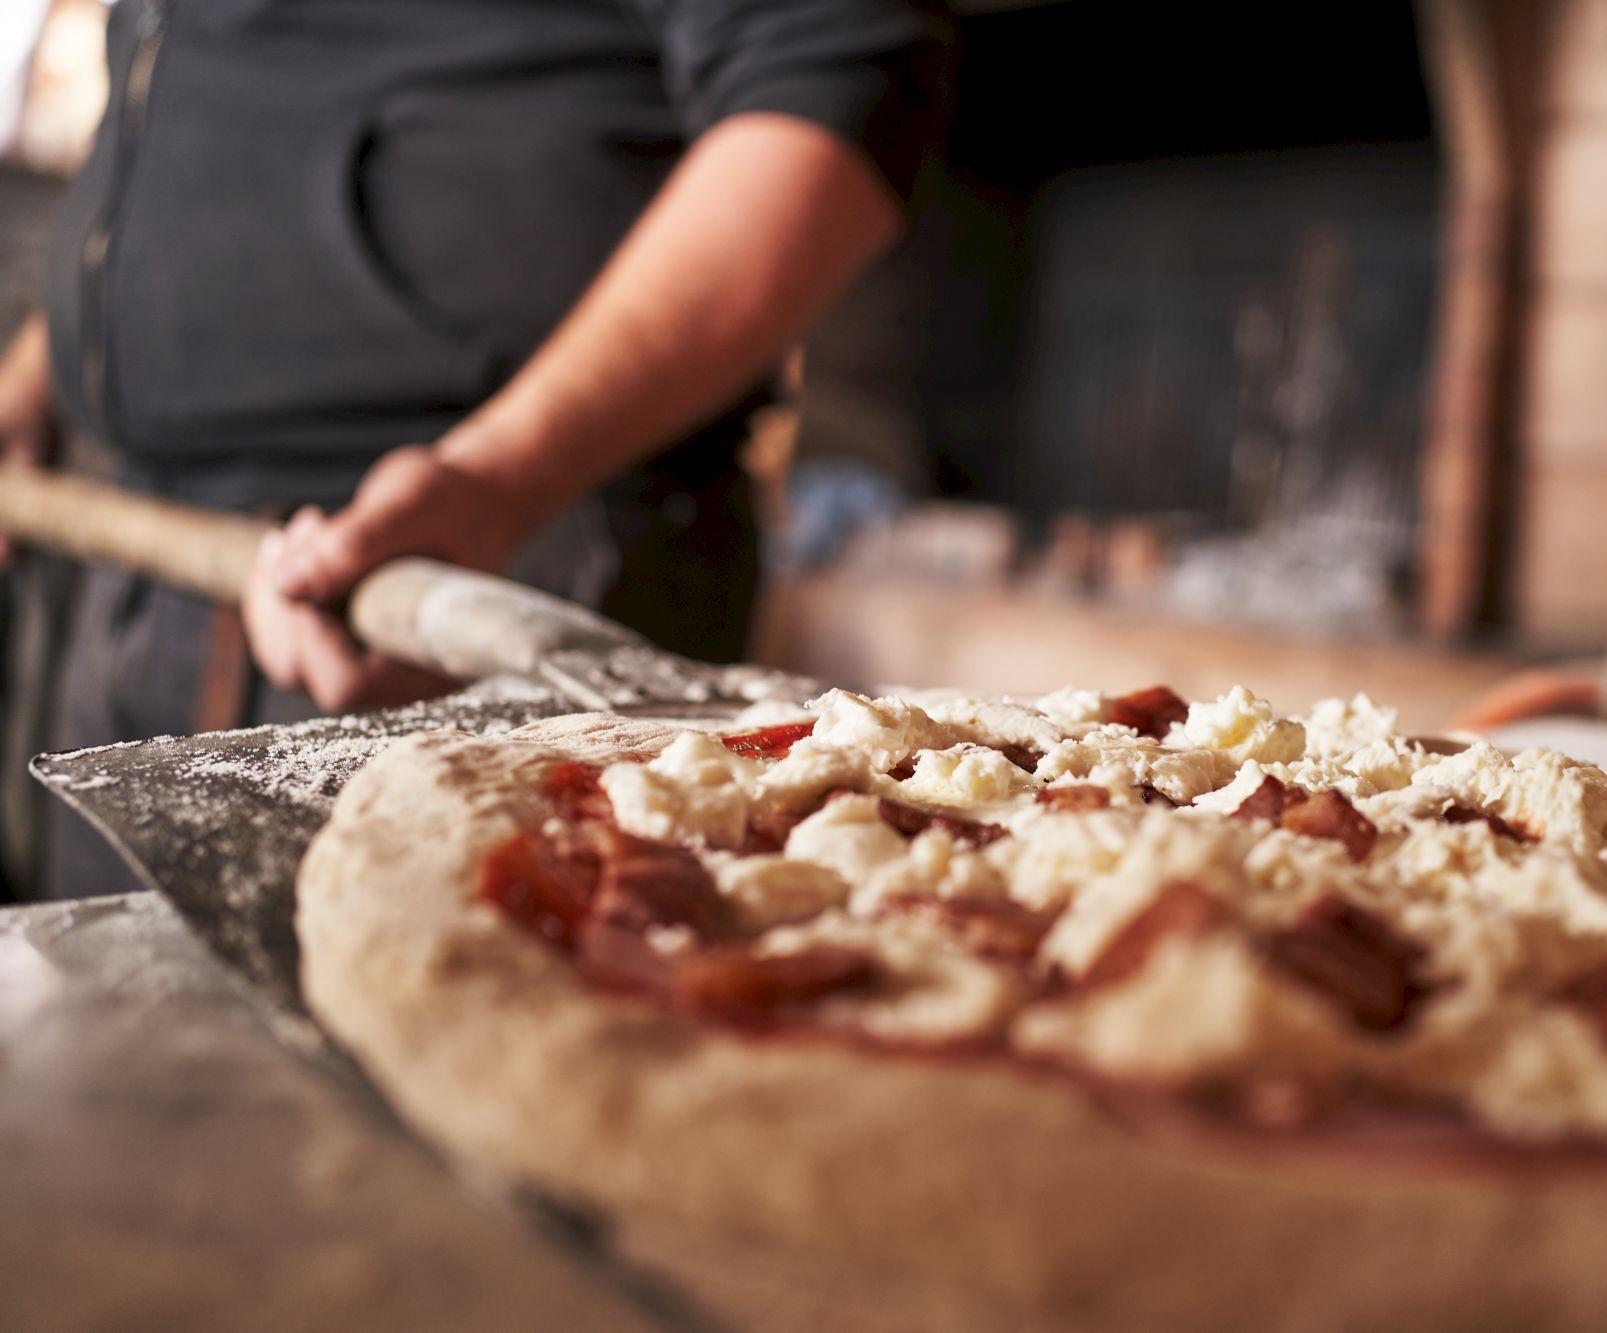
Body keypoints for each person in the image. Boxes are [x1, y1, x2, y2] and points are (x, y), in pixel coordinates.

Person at [0, 0, 956, 898]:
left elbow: (831, 63)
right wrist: (50, 363)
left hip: (456, 577)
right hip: (145, 565)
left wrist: (499, 479)